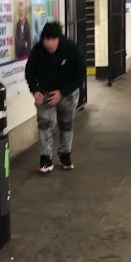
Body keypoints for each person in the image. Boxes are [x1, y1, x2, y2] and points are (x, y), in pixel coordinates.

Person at [26, 22, 86, 174]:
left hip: (68, 94)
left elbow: (80, 75)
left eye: (52, 40)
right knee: (44, 125)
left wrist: (62, 92)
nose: (49, 44)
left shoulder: (70, 49)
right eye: (46, 40)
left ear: (59, 39)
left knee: (66, 124)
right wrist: (34, 90)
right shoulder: (38, 51)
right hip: (45, 93)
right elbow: (30, 72)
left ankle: (65, 154)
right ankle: (45, 159)